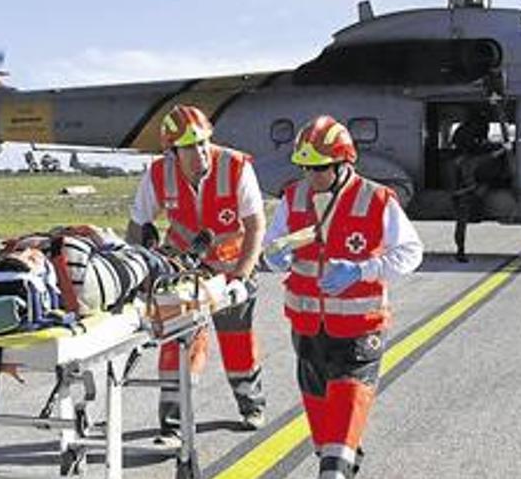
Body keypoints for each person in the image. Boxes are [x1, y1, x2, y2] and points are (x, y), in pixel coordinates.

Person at [263, 115, 423, 478]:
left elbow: (411, 253)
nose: (311, 177)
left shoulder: (377, 199)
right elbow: (273, 247)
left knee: (334, 455)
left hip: (359, 331)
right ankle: (342, 460)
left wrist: (362, 269)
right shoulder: (294, 196)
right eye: (305, 168)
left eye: (319, 169)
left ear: (343, 164)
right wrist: (275, 256)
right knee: (325, 437)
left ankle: (337, 466)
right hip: (307, 331)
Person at [125, 104, 267, 446]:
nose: (200, 151)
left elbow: (255, 225)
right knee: (178, 342)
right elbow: (136, 225)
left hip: (233, 268)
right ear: (172, 151)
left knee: (237, 342)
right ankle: (172, 426)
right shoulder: (158, 173)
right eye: (190, 146)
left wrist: (242, 276)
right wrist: (141, 271)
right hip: (185, 272)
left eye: (203, 142)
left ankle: (251, 404)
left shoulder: (235, 166)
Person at [450, 115, 504, 262]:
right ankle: (460, 251)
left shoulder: (458, 162)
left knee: (461, 223)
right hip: (464, 194)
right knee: (462, 221)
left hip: (460, 194)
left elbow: (487, 157)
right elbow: (487, 158)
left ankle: (460, 250)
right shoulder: (468, 162)